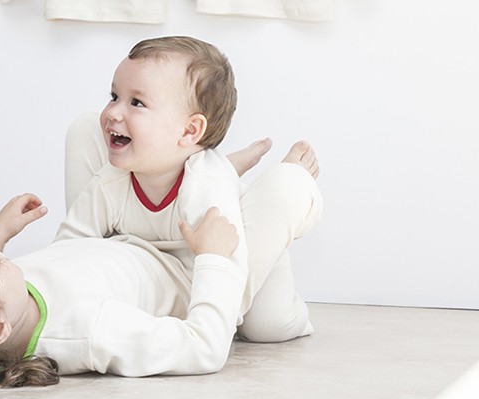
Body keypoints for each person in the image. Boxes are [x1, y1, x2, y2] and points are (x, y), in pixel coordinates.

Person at [0, 143, 322, 387]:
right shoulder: (93, 331)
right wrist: (216, 260)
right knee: (287, 183)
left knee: (88, 128)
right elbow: (202, 348)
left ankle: (208, 178)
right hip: (193, 271)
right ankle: (219, 179)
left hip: (138, 242)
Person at [57, 36, 319, 340]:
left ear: (190, 130)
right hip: (166, 271)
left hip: (223, 258)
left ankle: (289, 184)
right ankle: (228, 166)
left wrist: (206, 320)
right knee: (86, 125)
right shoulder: (110, 181)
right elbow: (69, 251)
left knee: (265, 327)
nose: (114, 112)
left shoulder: (205, 188)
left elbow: (227, 279)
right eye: (114, 96)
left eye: (137, 103)